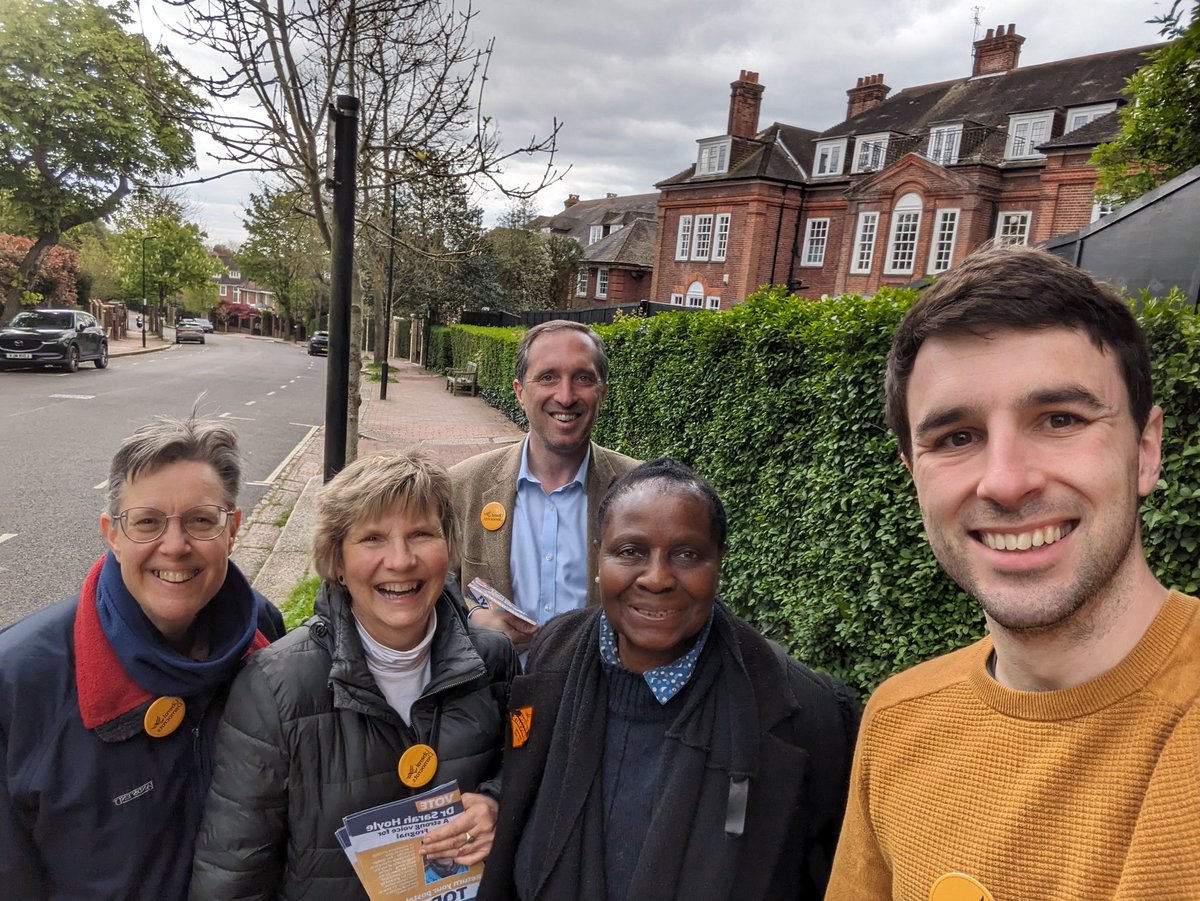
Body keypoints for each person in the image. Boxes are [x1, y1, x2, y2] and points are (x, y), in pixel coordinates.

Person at [825, 244, 1200, 900]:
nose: (1004, 482)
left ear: (1144, 450)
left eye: (1060, 419)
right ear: (915, 477)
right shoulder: (895, 722)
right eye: (956, 437)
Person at [480, 458, 858, 900]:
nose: (657, 579)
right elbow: (526, 777)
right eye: (630, 552)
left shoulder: (806, 718)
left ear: (719, 563)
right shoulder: (553, 655)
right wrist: (493, 798)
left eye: (687, 555)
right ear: (599, 555)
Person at [190, 451, 519, 898]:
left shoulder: (494, 661)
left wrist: (498, 802)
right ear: (337, 562)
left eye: (422, 534)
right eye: (373, 539)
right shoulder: (274, 687)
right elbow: (234, 872)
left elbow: (527, 774)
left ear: (449, 548)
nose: (400, 561)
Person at [0, 415, 285, 899]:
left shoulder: (265, 631)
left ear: (233, 528)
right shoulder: (20, 681)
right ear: (112, 533)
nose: (175, 547)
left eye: (201, 520)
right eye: (148, 522)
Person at [451, 320, 638, 654]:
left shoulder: (640, 491)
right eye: (548, 377)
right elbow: (431, 595)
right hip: (492, 698)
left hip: (601, 699)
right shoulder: (460, 487)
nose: (565, 397)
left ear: (602, 393)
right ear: (520, 392)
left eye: (583, 378)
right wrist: (472, 621)